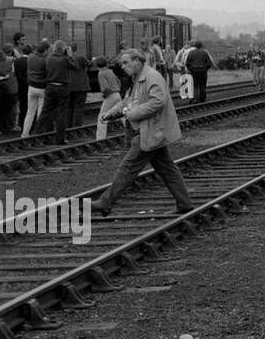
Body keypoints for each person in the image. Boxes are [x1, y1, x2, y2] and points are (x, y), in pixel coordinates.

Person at [92, 48, 193, 216]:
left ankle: (105, 202)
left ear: (137, 61)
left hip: (150, 131)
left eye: (125, 63)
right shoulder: (137, 78)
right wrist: (112, 113)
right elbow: (128, 101)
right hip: (149, 131)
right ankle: (184, 204)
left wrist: (130, 113)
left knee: (127, 167)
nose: (122, 66)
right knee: (167, 169)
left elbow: (157, 102)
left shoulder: (152, 77)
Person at [37, 40, 73, 144]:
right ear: (63, 49)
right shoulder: (65, 59)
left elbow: (43, 70)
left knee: (45, 112)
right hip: (62, 88)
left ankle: (36, 134)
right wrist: (70, 55)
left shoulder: (48, 58)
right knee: (61, 113)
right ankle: (60, 139)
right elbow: (75, 66)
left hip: (50, 87)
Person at [21, 40, 50, 137]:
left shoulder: (30, 57)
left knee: (30, 112)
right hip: (42, 87)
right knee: (40, 112)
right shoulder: (45, 60)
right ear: (45, 50)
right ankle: (38, 133)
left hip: (31, 87)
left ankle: (25, 133)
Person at [93, 57, 122, 140]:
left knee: (102, 117)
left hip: (110, 96)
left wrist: (104, 95)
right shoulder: (110, 71)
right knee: (122, 115)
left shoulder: (101, 73)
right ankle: (133, 131)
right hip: (117, 94)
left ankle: (100, 138)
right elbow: (118, 81)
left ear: (96, 65)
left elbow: (105, 88)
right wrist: (117, 89)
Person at [66, 46, 91, 140]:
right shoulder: (80, 57)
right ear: (76, 49)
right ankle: (77, 127)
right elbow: (90, 63)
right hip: (80, 86)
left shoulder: (66, 58)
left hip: (69, 86)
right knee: (79, 107)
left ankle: (68, 126)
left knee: (69, 107)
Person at [14, 44, 30, 130]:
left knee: (22, 106)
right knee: (29, 106)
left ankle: (21, 122)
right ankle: (29, 124)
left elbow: (15, 73)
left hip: (20, 86)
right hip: (29, 85)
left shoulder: (17, 61)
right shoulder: (30, 61)